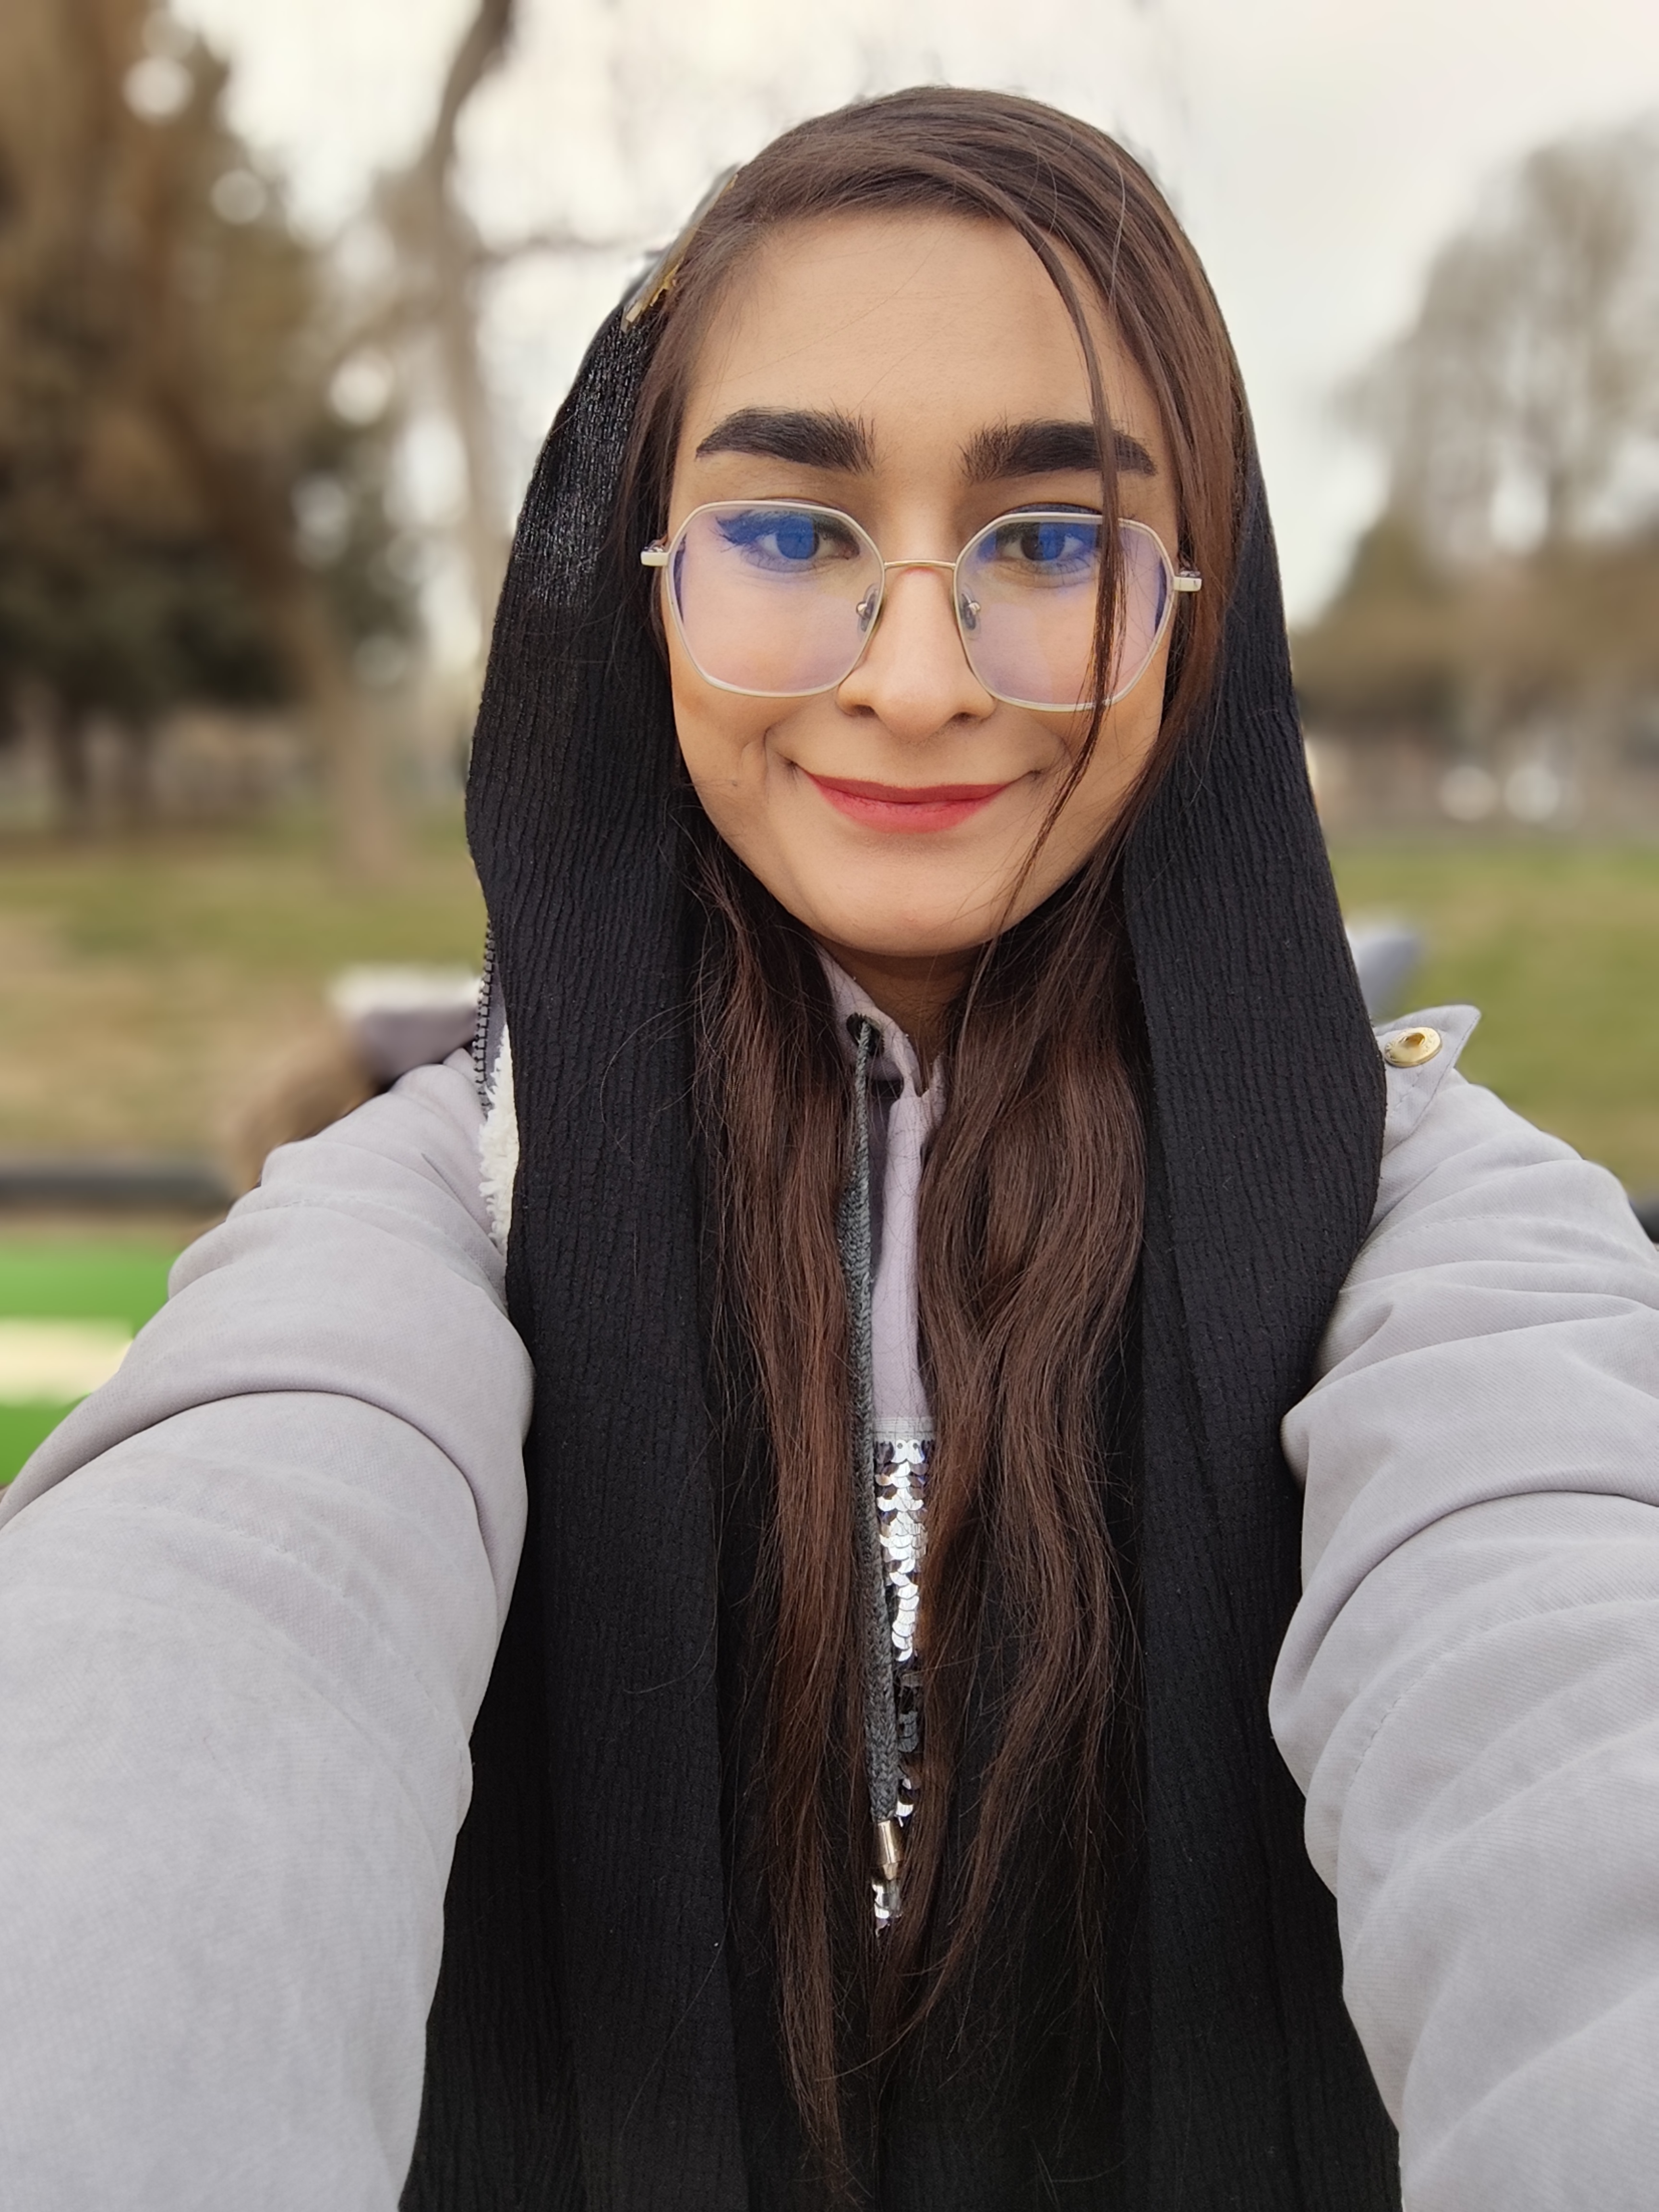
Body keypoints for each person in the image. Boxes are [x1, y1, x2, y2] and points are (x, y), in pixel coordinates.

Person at [1, 87, 1657, 2212]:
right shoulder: (430, 1210)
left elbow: (1566, 1673)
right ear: (641, 582)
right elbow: (197, 1658)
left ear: (1197, 612)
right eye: (791, 535)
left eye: (1049, 543)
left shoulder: (1426, 1223)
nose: (917, 679)